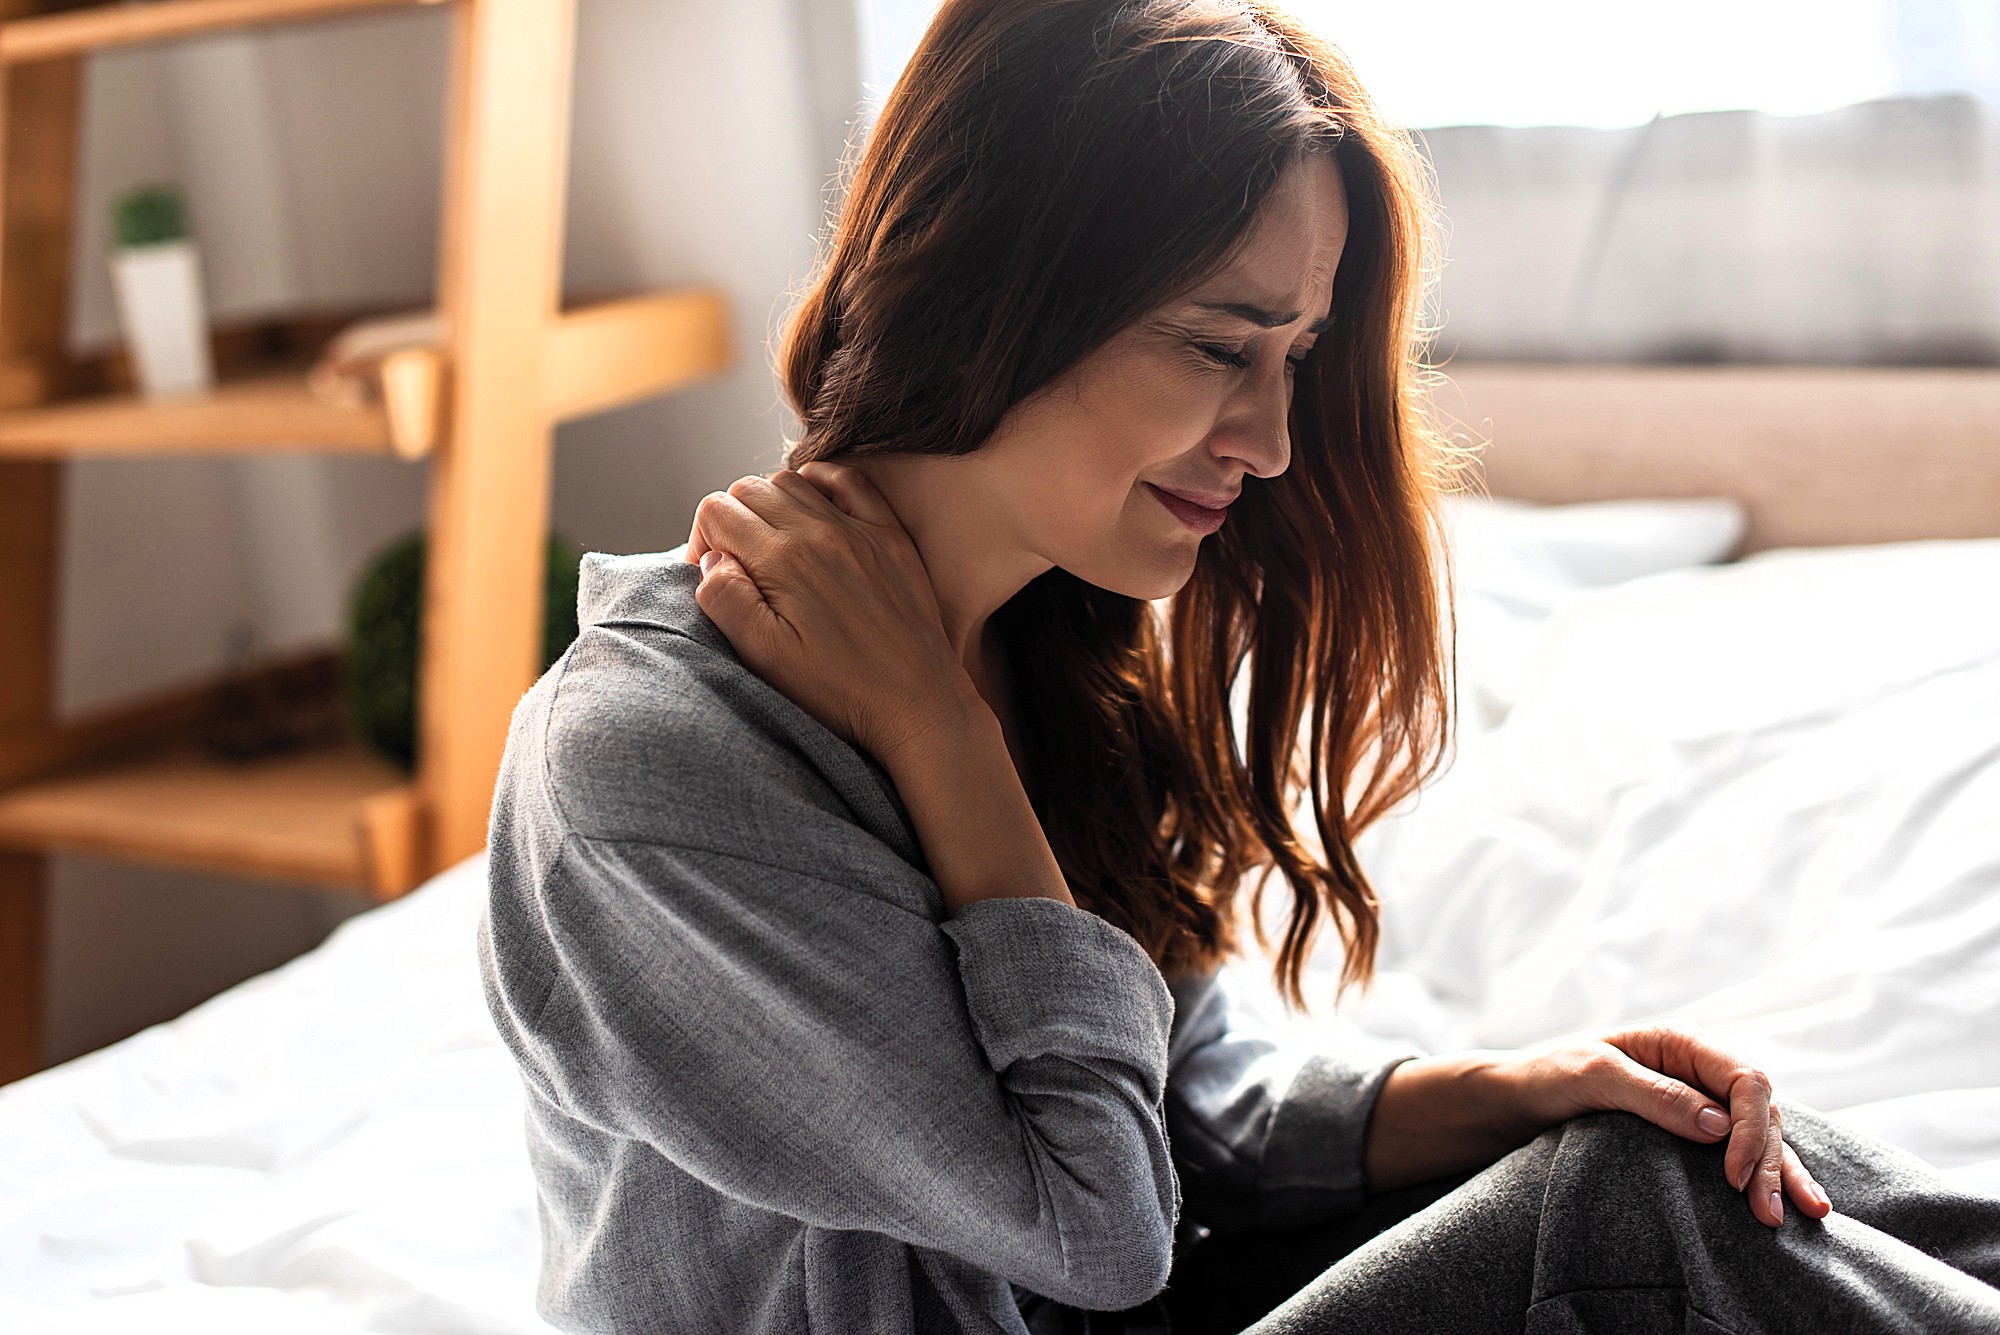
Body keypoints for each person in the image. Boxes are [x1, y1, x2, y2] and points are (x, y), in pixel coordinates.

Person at [477, 2, 2000, 1331]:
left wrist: (1512, 1089)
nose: (1271, 443)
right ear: (992, 286)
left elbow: (1193, 1102)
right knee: (1622, 1223)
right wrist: (942, 743)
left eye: (1296, 360)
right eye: (1221, 348)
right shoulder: (647, 770)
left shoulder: (1051, 648)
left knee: (1673, 1150)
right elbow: (1097, 1227)